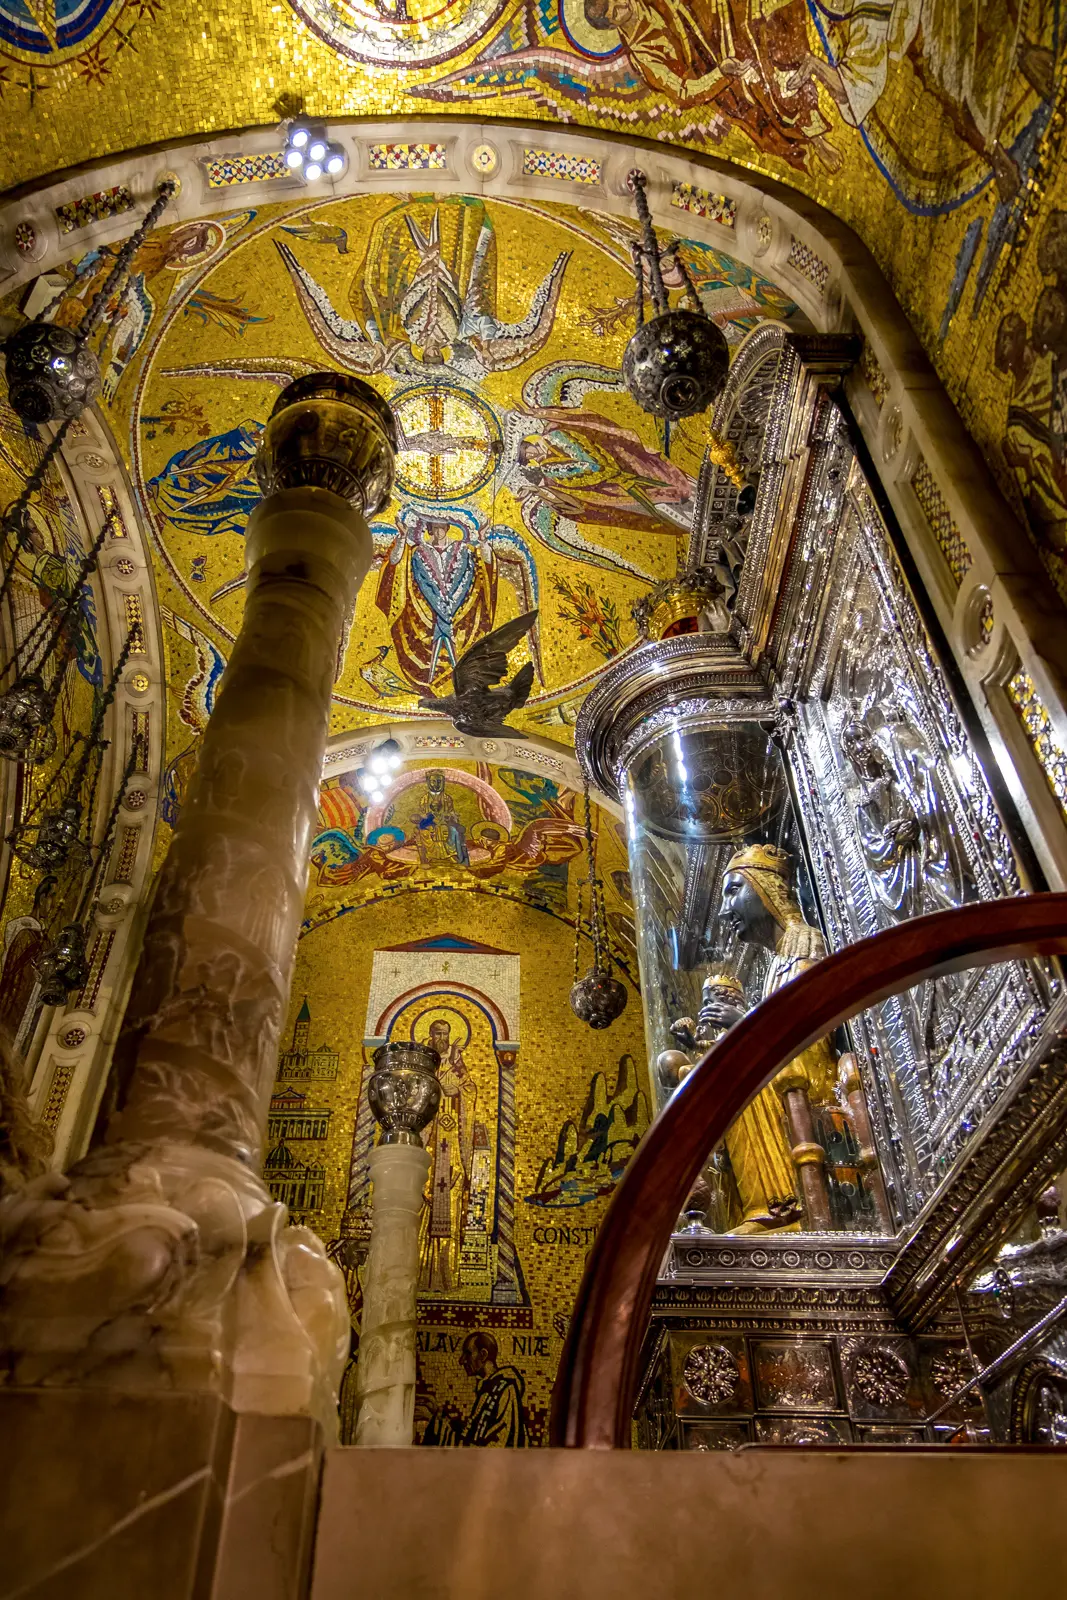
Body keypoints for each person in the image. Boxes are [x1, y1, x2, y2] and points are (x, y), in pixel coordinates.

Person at [712, 843, 839, 1231]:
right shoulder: (776, 964)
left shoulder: (805, 945)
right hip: (788, 1082)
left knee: (731, 1077)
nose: (723, 910)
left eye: (734, 890)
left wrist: (745, 1024)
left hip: (812, 1087)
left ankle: (778, 1206)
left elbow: (811, 1038)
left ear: (765, 889)